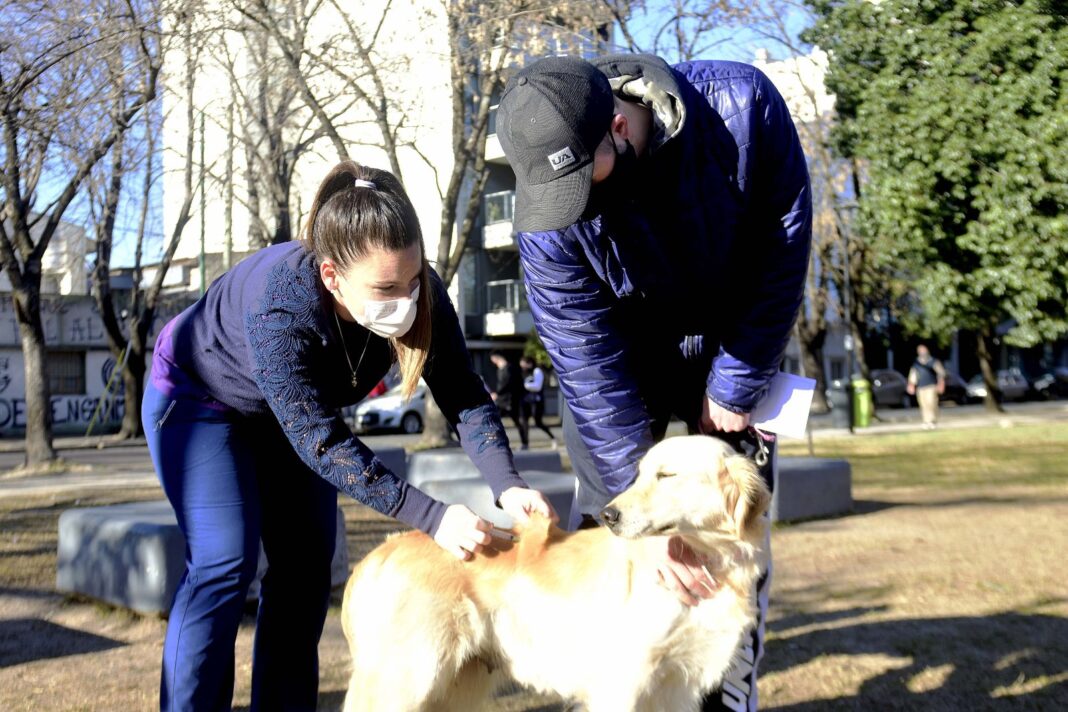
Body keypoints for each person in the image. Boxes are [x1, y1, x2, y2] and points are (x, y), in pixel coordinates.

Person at [142, 161, 556, 712]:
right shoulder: (282, 302)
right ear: (333, 275)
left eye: (413, 280)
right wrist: (434, 518)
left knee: (307, 568)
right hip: (201, 399)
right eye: (386, 288)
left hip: (294, 416)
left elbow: (462, 392)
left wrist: (507, 484)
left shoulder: (422, 292)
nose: (406, 301)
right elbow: (321, 441)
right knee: (224, 561)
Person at [497, 54, 812, 711]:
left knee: (734, 539)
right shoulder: (546, 218)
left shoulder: (741, 106)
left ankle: (728, 695)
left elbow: (782, 245)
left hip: (733, 355)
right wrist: (627, 489)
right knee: (626, 555)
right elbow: (583, 352)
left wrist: (736, 378)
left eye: (582, 181)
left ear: (618, 125)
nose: (572, 207)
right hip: (621, 381)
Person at [489, 350, 529, 450]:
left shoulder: (509, 369)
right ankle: (492, 442)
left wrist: (497, 393)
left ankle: (525, 443)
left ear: (496, 358)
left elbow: (508, 385)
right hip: (501, 400)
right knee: (494, 420)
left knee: (516, 421)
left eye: (493, 360)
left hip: (510, 400)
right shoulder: (500, 369)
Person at [520, 355, 557, 448]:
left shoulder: (537, 371)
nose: (522, 366)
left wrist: (524, 385)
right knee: (524, 422)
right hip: (525, 401)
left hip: (536, 401)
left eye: (524, 364)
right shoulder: (523, 372)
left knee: (538, 423)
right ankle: (525, 443)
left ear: (529, 363)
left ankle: (553, 438)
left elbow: (537, 386)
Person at [907, 344, 945, 429]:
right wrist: (911, 385)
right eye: (920, 350)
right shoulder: (916, 363)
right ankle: (926, 421)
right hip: (920, 387)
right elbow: (913, 375)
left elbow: (941, 373)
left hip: (931, 386)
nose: (922, 352)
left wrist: (941, 384)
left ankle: (932, 421)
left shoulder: (933, 361)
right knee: (923, 405)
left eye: (923, 350)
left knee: (931, 403)